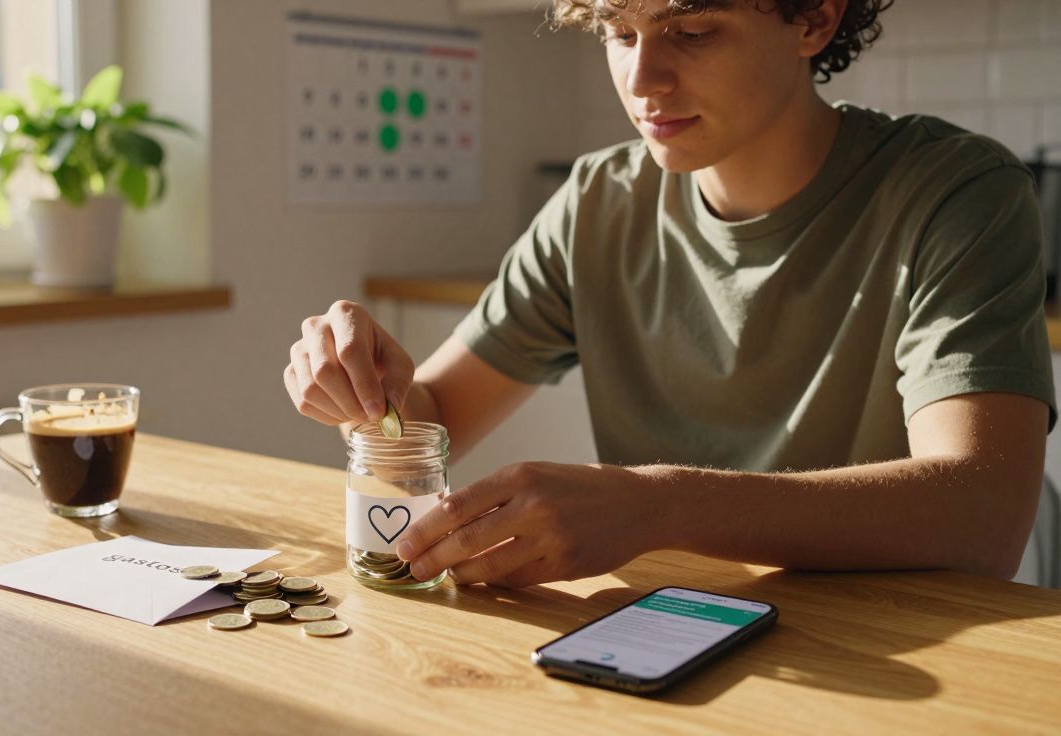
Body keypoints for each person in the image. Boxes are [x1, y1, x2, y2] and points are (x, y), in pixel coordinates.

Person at [283, 0, 1056, 588]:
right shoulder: (598, 202)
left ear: (817, 19)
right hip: (668, 636)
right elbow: (433, 420)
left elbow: (980, 511)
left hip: (897, 657)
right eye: (620, 30)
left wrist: (659, 505)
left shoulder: (955, 193)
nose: (642, 80)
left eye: (692, 32)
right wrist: (367, 388)